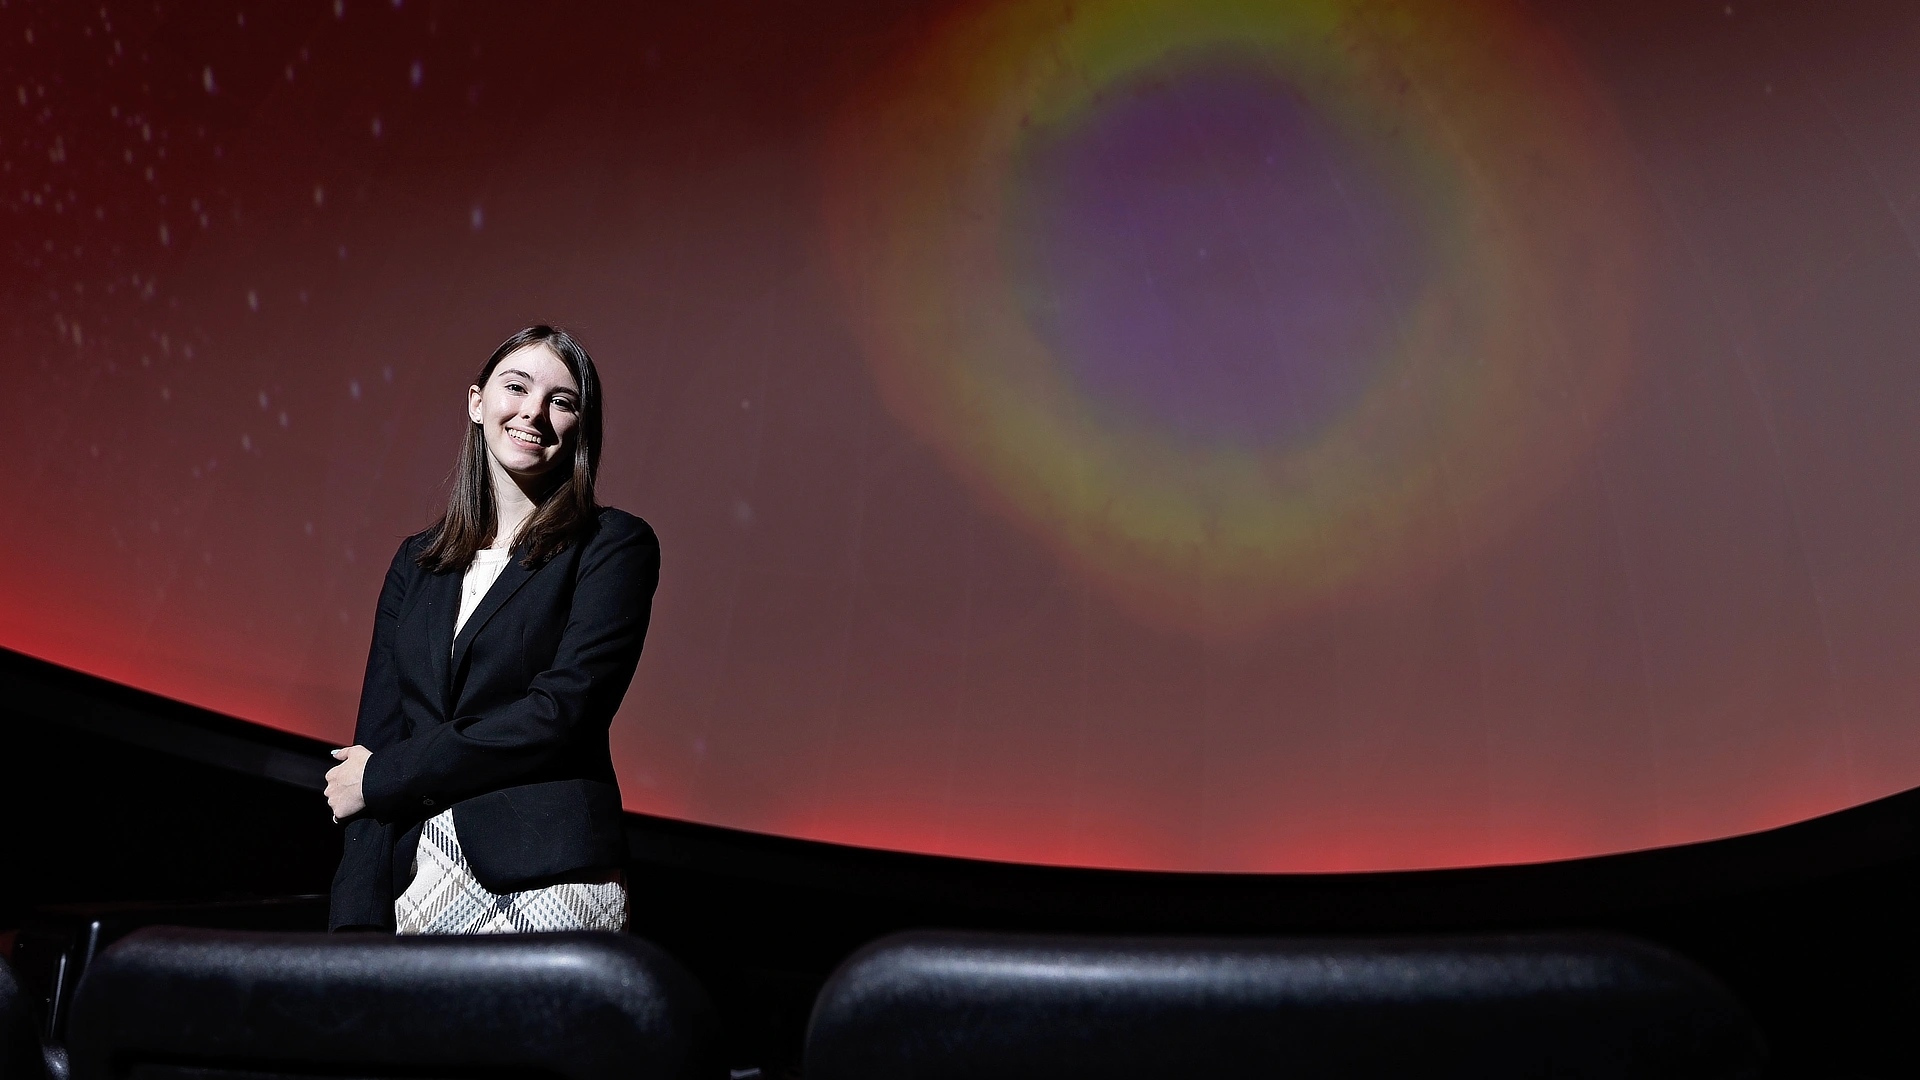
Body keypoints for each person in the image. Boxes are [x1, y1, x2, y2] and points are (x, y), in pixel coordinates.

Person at [324, 325, 659, 934]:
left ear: (581, 427)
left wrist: (385, 776)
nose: (534, 410)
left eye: (562, 400)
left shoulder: (613, 545)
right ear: (478, 402)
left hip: (550, 875)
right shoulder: (416, 562)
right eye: (517, 386)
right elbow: (372, 747)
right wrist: (352, 926)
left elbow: (561, 712)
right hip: (417, 881)